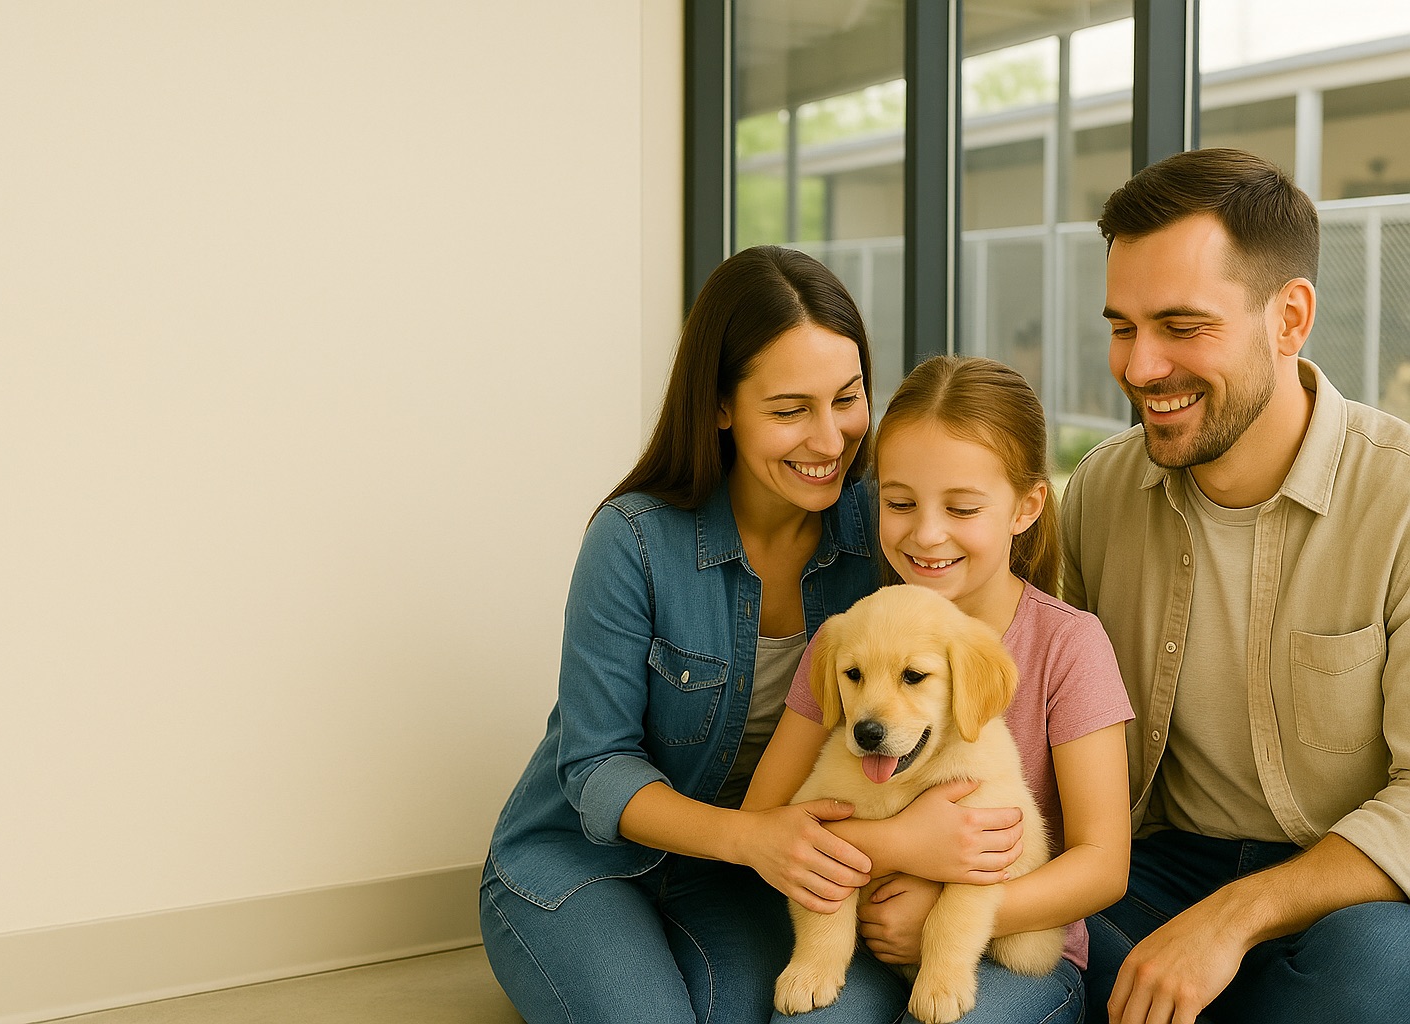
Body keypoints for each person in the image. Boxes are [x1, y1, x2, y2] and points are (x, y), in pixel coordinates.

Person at [480, 245, 890, 1024]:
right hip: (582, 860)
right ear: (720, 406)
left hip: (737, 874)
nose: (832, 439)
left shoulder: (878, 534)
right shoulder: (633, 540)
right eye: (789, 409)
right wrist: (751, 837)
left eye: (847, 397)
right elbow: (596, 766)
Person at [1061, 147, 1410, 1024]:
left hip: (1345, 894)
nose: (1140, 369)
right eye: (1122, 327)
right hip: (1151, 875)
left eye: (1182, 327)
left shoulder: (1399, 498)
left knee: (1377, 972)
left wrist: (1233, 920)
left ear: (1289, 318)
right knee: (1025, 940)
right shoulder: (1100, 495)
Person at [745, 355, 1134, 1024]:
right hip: (863, 944)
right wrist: (896, 847)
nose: (926, 533)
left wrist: (946, 913)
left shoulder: (1069, 646)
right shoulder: (853, 642)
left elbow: (1104, 866)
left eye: (960, 507)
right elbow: (763, 821)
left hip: (1009, 952)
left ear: (1026, 506)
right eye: (899, 503)